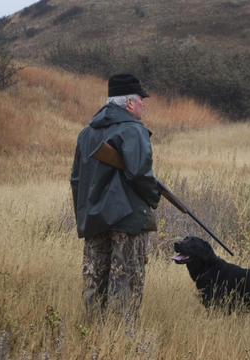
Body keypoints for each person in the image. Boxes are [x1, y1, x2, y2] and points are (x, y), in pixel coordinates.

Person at [70, 74, 161, 325]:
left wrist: (85, 214)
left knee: (93, 285)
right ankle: (120, 343)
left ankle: (92, 340)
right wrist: (154, 197)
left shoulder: (86, 133)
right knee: (125, 285)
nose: (144, 104)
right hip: (128, 220)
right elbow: (141, 174)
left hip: (94, 219)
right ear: (130, 103)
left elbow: (76, 180)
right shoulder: (134, 130)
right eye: (142, 100)